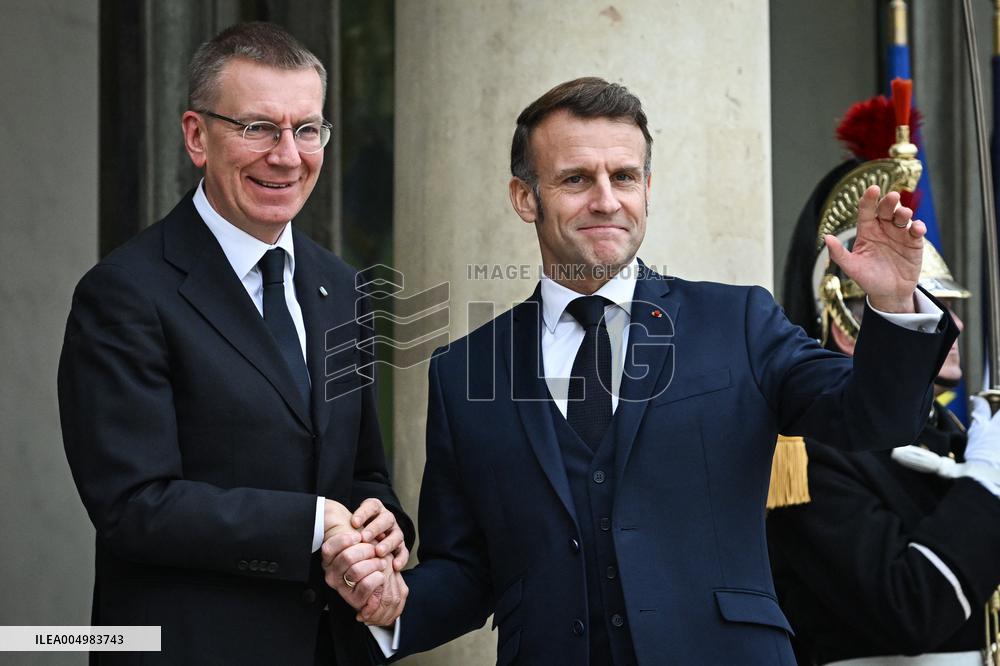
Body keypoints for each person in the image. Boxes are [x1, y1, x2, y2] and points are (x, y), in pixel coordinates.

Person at [324, 77, 958, 664]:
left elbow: (871, 419)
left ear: (647, 189)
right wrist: (392, 605)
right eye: (576, 179)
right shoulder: (463, 371)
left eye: (624, 176)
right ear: (525, 197)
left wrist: (893, 304)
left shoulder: (737, 320)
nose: (606, 201)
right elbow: (466, 571)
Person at [58, 22, 412, 665]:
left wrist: (381, 531)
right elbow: (134, 507)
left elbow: (361, 471)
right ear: (197, 136)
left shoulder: (342, 287)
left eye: (307, 129)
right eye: (257, 128)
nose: (287, 155)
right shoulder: (124, 294)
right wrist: (315, 524)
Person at [766, 93, 1000, 666]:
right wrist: (989, 484)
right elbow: (909, 609)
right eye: (926, 302)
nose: (955, 324)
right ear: (848, 324)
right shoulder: (802, 455)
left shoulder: (955, 434)